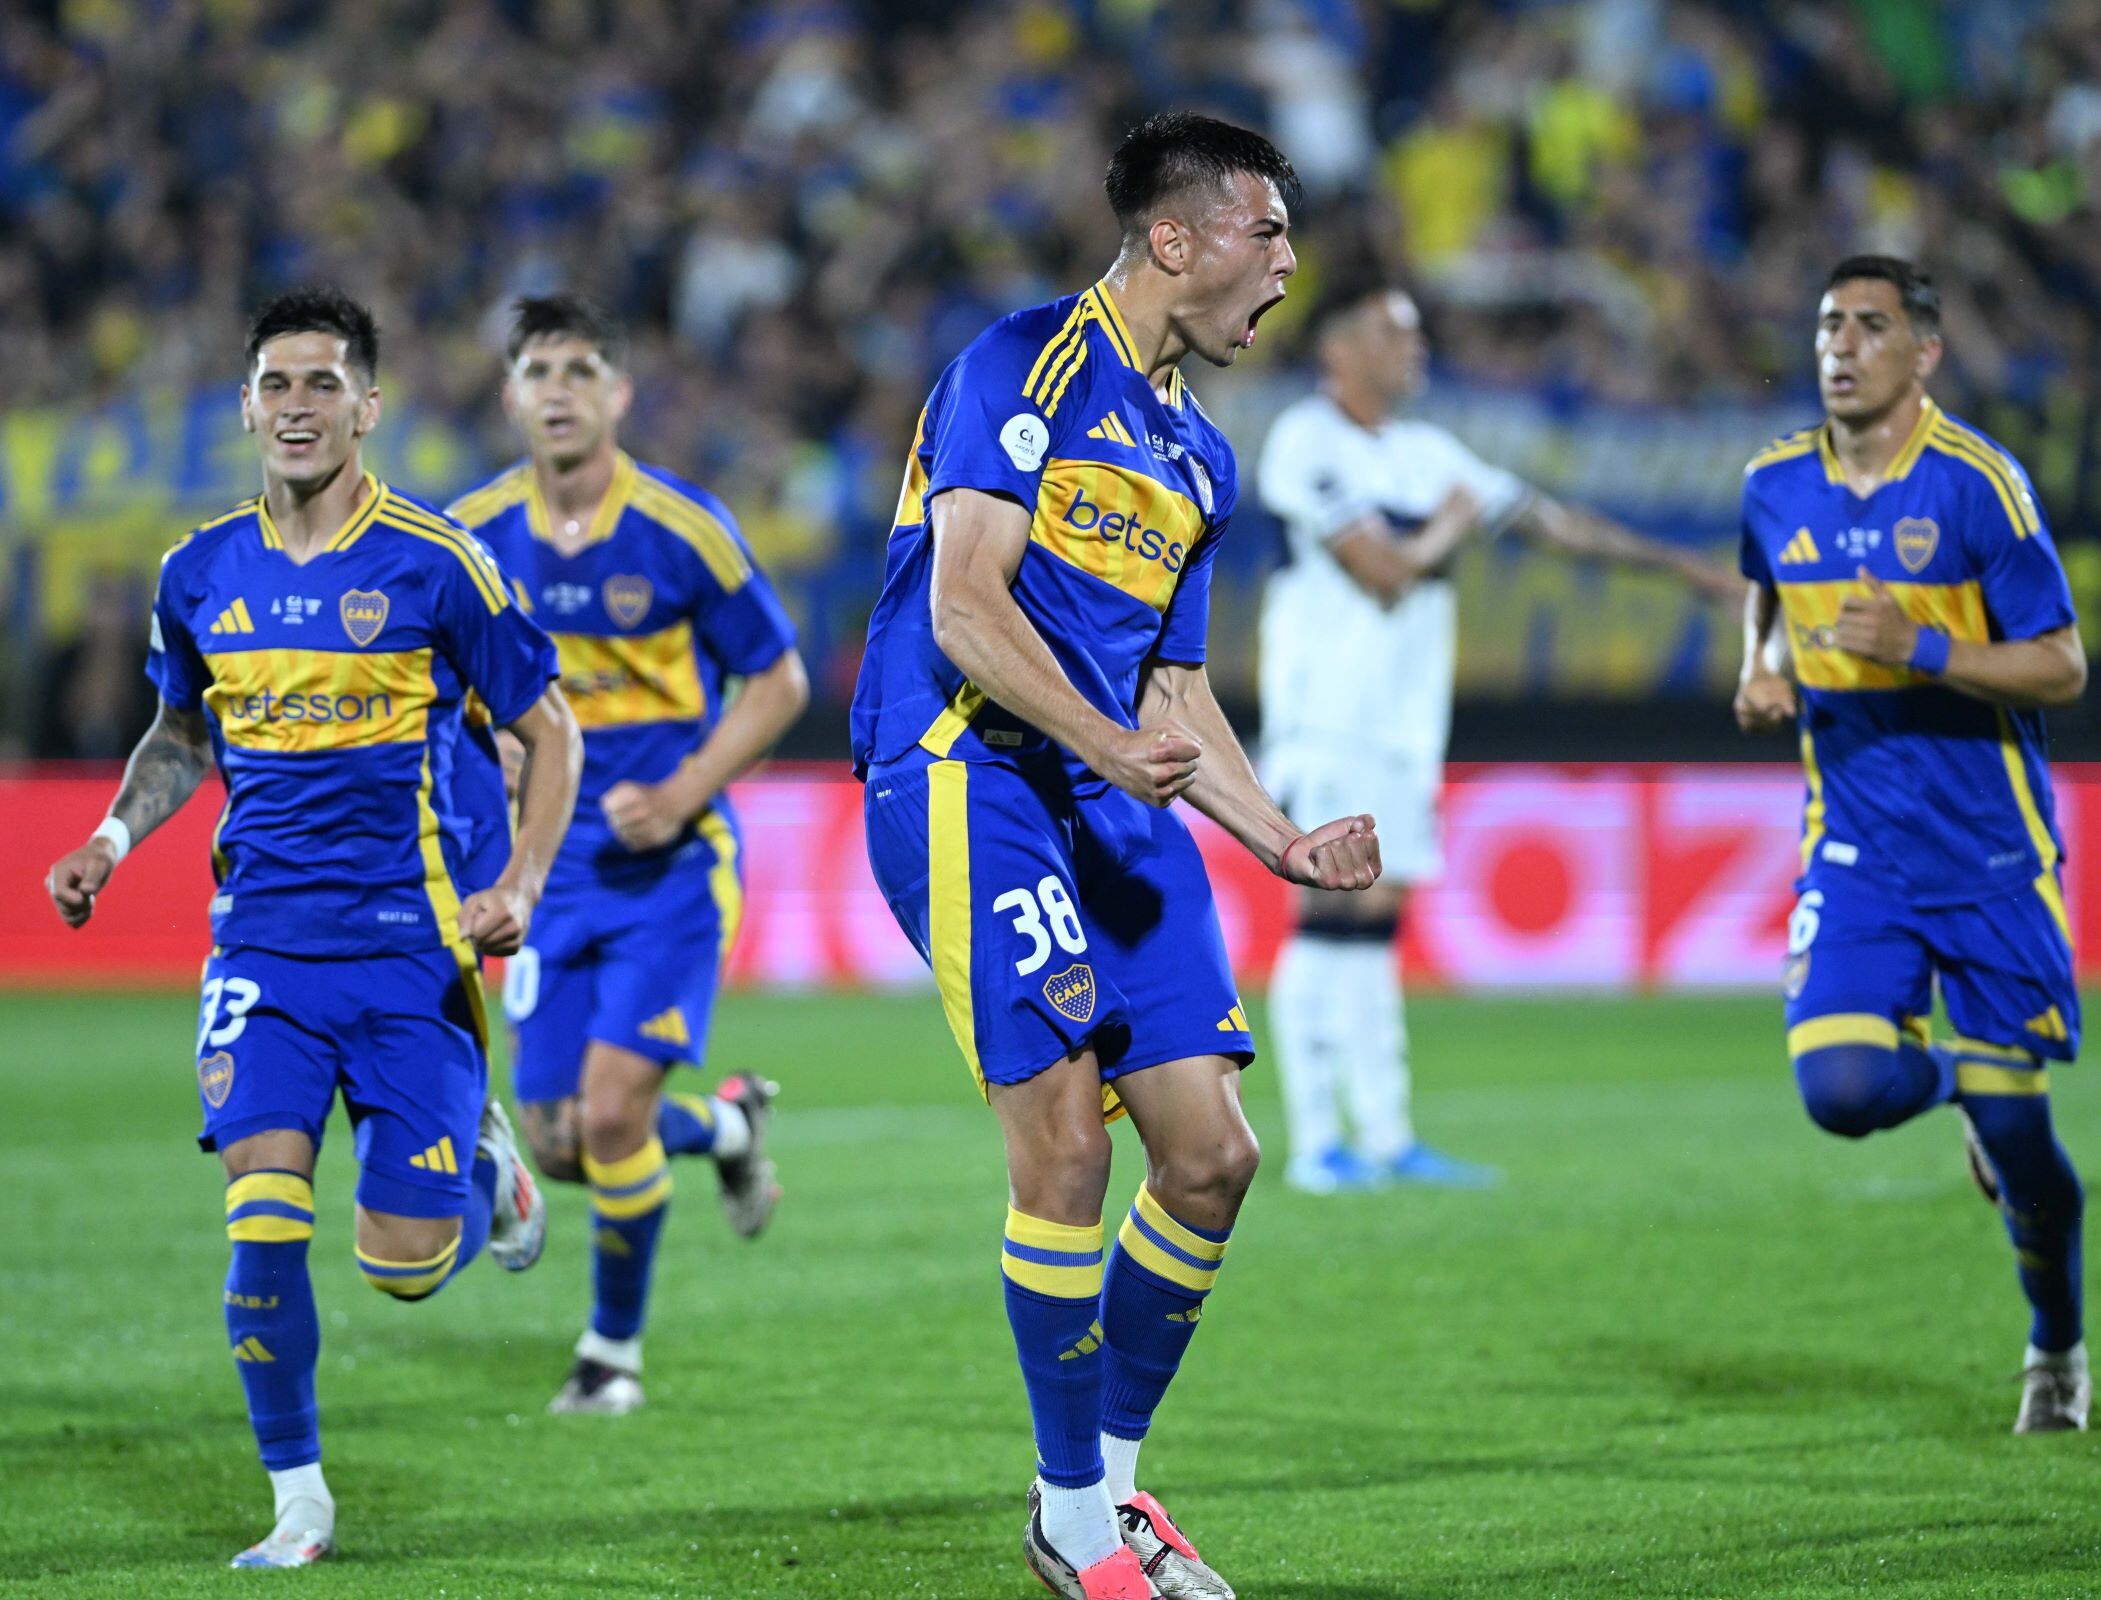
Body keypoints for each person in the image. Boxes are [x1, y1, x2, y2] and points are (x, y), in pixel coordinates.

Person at [851, 111, 1380, 1600]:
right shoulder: (1019, 366)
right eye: (1266, 234)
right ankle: (1074, 1522)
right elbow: (963, 604)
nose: (1285, 268)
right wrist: (1094, 742)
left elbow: (1173, 694)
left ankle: (1108, 1491)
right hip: (967, 774)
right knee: (1071, 1143)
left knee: (1212, 1159)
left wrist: (1281, 839)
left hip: (1107, 786)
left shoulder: (1200, 455)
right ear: (1175, 238)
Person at [42, 286, 583, 1565]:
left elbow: (546, 730)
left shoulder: (438, 565)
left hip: (411, 947)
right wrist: (112, 840)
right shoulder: (198, 570)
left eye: (323, 385)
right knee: (261, 1223)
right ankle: (299, 1501)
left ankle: (481, 1169)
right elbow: (184, 730)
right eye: (276, 386)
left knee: (401, 1264)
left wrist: (522, 887)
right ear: (245, 406)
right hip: (264, 950)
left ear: (369, 408)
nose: (297, 407)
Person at [1256, 281, 1741, 1193]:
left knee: (1376, 921)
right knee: (1326, 913)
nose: (1416, 349)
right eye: (1393, 333)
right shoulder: (1305, 441)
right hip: (1327, 717)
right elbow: (1383, 571)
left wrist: (1685, 570)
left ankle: (1388, 1135)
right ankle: (1320, 1142)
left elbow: (1555, 526)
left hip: (1401, 728)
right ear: (1338, 353)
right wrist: (1448, 522)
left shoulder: (1426, 450)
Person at [1735, 255, 2088, 1432]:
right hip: (1856, 844)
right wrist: (1761, 667)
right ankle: (1963, 1092)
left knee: (2027, 1149)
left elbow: (2061, 664)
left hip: (1990, 850)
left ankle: (2055, 1344)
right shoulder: (1773, 482)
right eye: (1828, 322)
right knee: (1837, 1088)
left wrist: (1923, 651)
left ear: (1923, 353)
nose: (1839, 344)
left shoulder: (1982, 484)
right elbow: (1765, 588)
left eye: (1870, 326)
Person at [450, 293, 807, 1416]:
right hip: (543, 877)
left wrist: (690, 785)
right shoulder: (466, 539)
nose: (558, 389)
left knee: (609, 1116)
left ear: (619, 395)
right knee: (557, 1143)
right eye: (537, 371)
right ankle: (725, 1125)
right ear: (508, 396)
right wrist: (489, 760)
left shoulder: (681, 527)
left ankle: (610, 1354)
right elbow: (438, 698)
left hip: (671, 871)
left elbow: (780, 679)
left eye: (581, 369)